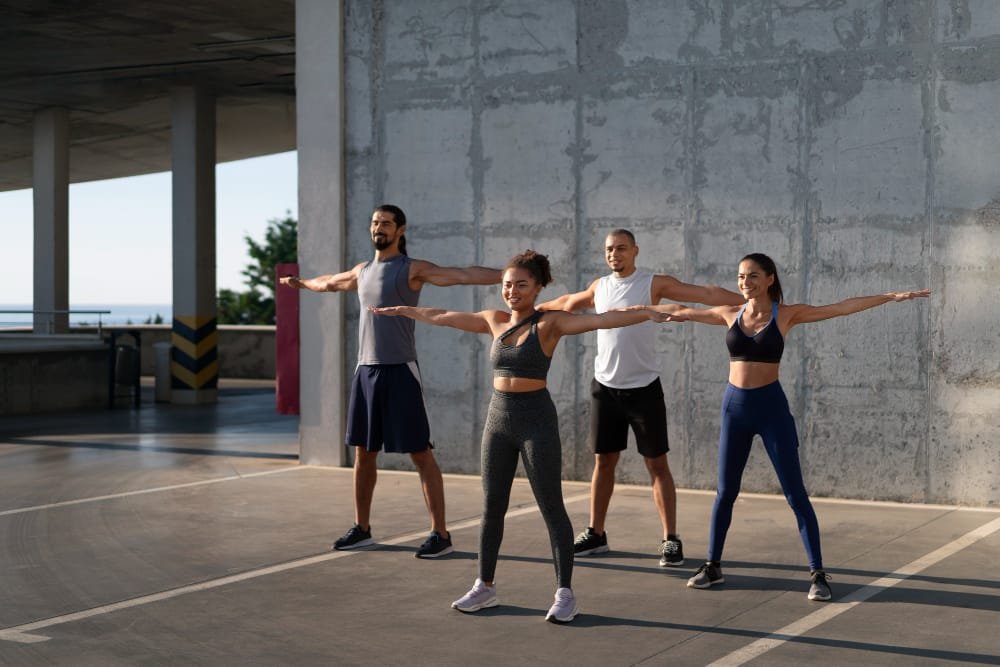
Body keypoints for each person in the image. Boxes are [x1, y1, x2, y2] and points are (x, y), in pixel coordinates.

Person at [372, 250, 667, 623]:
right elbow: (444, 317)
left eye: (521, 285)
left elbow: (604, 319)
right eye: (507, 284)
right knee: (492, 507)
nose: (512, 291)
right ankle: (485, 586)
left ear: (538, 287)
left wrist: (647, 312)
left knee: (551, 507)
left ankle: (565, 593)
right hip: (498, 420)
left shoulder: (550, 323)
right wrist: (405, 311)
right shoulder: (494, 320)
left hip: (535, 421)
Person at [642, 253, 929, 601]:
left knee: (795, 494)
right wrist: (633, 310)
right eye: (740, 276)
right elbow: (682, 312)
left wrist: (888, 296)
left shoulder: (787, 314)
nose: (744, 282)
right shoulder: (728, 314)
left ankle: (818, 573)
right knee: (725, 492)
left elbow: (839, 308)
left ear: (769, 279)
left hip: (771, 408)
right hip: (734, 409)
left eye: (752, 276)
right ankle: (713, 565)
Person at [280, 204, 501, 559]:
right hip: (365, 371)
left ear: (400, 230)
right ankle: (362, 528)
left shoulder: (411, 269)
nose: (378, 228)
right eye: (374, 223)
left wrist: (510, 274)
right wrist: (302, 283)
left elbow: (461, 274)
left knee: (420, 454)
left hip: (400, 370)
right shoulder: (362, 271)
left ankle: (440, 534)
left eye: (385, 223)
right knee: (363, 454)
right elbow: (329, 283)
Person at [539, 229, 743, 566]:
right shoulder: (599, 287)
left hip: (644, 389)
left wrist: (744, 302)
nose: (614, 255)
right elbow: (564, 304)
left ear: (635, 250)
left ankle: (670, 538)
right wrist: (527, 311)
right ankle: (596, 533)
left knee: (657, 464)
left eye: (620, 248)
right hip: (605, 388)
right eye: (608, 250)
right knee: (603, 462)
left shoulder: (653, 283)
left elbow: (703, 292)